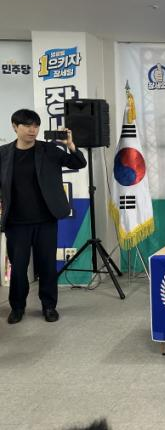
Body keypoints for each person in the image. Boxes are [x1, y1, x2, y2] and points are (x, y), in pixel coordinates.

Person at [0, 109, 87, 324]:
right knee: (18, 268)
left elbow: (78, 163)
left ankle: (49, 306)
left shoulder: (49, 150)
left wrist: (70, 145)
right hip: (16, 222)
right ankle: (17, 307)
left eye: (36, 126)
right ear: (15, 127)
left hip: (45, 220)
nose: (33, 130)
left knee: (47, 266)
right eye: (27, 125)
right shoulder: (3, 153)